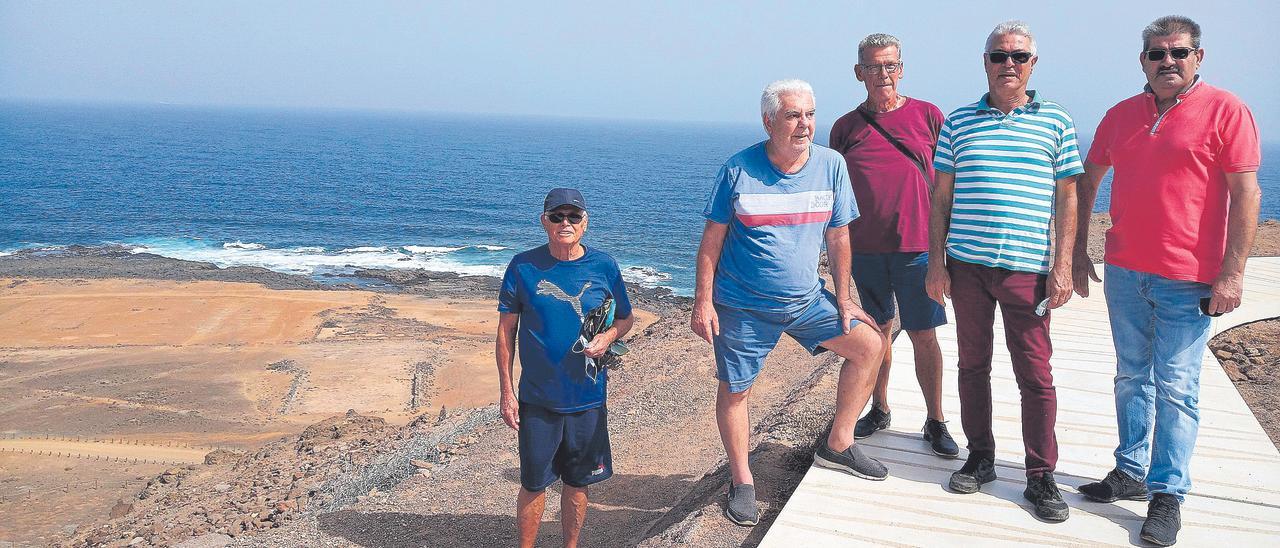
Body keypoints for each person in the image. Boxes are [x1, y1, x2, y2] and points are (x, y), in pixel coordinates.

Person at [1073, 15, 1262, 546]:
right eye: (1156, 53)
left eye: (1178, 52)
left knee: (1176, 387)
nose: (1167, 61)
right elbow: (1088, 182)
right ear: (1143, 61)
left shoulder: (1226, 110)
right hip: (1127, 272)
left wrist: (1233, 270)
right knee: (1131, 376)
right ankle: (1130, 471)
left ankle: (1167, 493)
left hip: (1191, 278)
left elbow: (1247, 195)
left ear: (1198, 57)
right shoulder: (1121, 115)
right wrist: (1079, 250)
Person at [692, 79, 885, 527]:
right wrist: (703, 301)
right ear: (768, 121)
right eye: (793, 115)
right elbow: (711, 241)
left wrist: (843, 296)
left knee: (870, 346)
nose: (804, 124)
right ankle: (742, 481)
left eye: (810, 114)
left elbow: (838, 235)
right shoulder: (738, 168)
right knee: (736, 391)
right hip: (742, 305)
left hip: (806, 300)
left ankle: (838, 443)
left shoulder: (832, 165)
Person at [925, 21, 1082, 522]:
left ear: (1033, 63)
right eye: (998, 56)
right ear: (985, 62)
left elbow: (1067, 198)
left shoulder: (1056, 121)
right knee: (973, 366)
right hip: (967, 267)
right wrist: (935, 263)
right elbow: (941, 198)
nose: (1008, 64)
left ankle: (1041, 475)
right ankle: (981, 456)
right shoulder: (958, 122)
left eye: (1018, 56)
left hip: (1027, 270)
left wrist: (1062, 265)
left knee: (1035, 374)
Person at [829, 32, 956, 458]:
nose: (882, 74)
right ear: (858, 72)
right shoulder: (845, 128)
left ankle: (936, 420)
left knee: (923, 335)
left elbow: (947, 183)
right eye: (873, 66)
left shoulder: (928, 115)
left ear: (901, 68)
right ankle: (880, 409)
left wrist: (945, 249)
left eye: (890, 65)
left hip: (918, 249)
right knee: (877, 334)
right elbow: (835, 192)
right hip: (865, 250)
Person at [495, 188, 635, 548]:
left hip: (587, 397)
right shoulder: (523, 266)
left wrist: (609, 336)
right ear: (544, 221)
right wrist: (507, 392)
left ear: (584, 223)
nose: (565, 223)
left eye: (573, 217)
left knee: (578, 482)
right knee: (533, 483)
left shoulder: (604, 266)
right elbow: (506, 331)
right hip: (538, 399)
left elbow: (626, 317)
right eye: (557, 216)